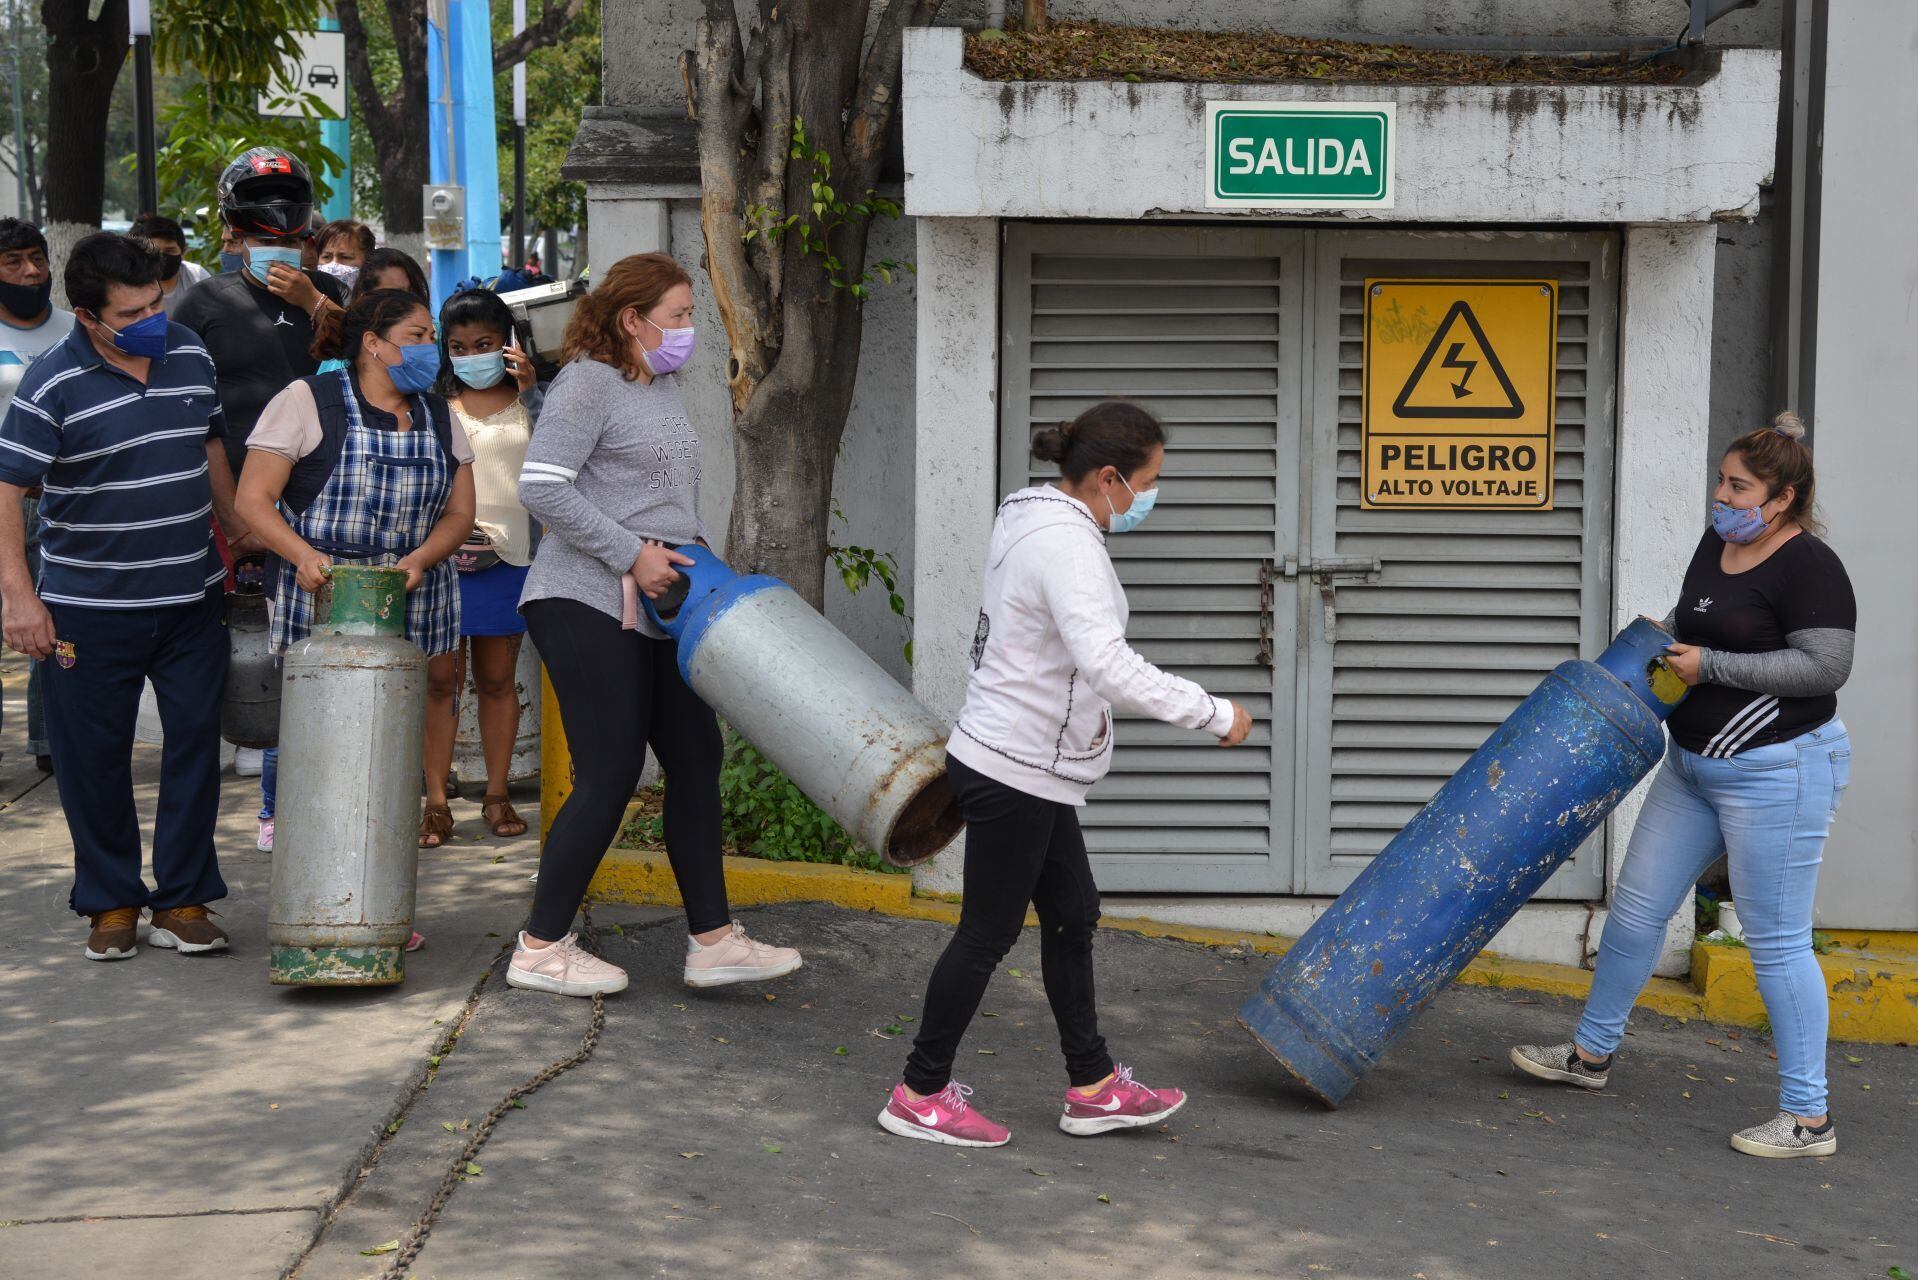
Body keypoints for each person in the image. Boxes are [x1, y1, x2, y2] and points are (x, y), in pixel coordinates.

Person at [879, 402, 1253, 1149]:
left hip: (1026, 762)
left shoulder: (1032, 513)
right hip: (1015, 764)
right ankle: (919, 1092)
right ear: (1109, 479)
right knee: (985, 935)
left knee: (1073, 913)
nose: (1153, 497)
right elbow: (1108, 665)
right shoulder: (1068, 547)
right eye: (1149, 482)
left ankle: (1093, 1085)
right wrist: (1210, 711)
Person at [1511, 413, 1854, 1160]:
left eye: (1739, 486)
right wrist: (1643, 652)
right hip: (1692, 764)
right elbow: (1694, 619)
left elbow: (1825, 668)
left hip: (1780, 769)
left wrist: (1712, 668)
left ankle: (1807, 1120)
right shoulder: (1719, 542)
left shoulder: (1810, 567)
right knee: (1635, 913)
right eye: (1721, 481)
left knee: (1778, 943)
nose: (1721, 496)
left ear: (1784, 498)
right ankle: (1590, 1057)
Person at [508, 251, 801, 998]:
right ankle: (540, 948)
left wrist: (695, 564)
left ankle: (712, 942)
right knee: (610, 772)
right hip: (581, 598)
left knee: (696, 759)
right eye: (676, 315)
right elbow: (541, 487)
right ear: (630, 319)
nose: (689, 329)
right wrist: (632, 553)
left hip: (663, 608)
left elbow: (663, 500)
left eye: (690, 314)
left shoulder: (659, 384)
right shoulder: (588, 383)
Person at [0, 232, 252, 960]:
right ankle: (110, 901)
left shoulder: (189, 353)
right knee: (94, 757)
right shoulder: (52, 384)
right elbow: (8, 487)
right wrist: (20, 599)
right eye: (132, 311)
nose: (153, 319)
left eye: (157, 302)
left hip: (190, 597)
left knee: (195, 748)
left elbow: (208, 444)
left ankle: (183, 898)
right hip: (87, 610)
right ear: (86, 315)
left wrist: (238, 530)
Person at [235, 289, 475, 951]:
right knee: (327, 757)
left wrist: (424, 558)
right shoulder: (307, 402)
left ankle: (381, 903)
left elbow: (459, 513)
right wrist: (302, 556)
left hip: (415, 590)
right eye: (419, 335)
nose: (431, 349)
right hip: (327, 595)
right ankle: (315, 902)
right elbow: (252, 500)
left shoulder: (439, 416)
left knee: (388, 763)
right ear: (374, 342)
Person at [420, 287, 539, 847]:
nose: (472, 354)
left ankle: (497, 795)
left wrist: (533, 391)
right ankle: (436, 802)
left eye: (485, 343)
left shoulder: (535, 403)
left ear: (510, 343)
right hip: (440, 561)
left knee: (497, 681)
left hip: (511, 559)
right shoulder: (429, 405)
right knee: (440, 682)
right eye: (460, 345)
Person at [174, 148, 349, 479]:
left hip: (325, 480)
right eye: (264, 239)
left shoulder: (328, 289)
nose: (279, 250)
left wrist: (311, 299)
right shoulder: (205, 301)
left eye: (290, 241)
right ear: (240, 239)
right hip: (237, 480)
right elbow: (187, 411)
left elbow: (364, 354)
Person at [0, 217, 74, 776]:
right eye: (12, 263)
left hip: (61, 504)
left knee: (54, 625)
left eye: (36, 259)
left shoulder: (77, 331)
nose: (29, 272)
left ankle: (54, 746)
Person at [128, 212, 211, 314]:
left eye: (170, 251)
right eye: (154, 251)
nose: (161, 257)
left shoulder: (196, 276)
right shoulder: (131, 281)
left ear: (183, 252)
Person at [314, 218, 376, 294]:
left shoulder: (379, 302)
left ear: (368, 260)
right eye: (326, 257)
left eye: (345, 257)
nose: (334, 265)